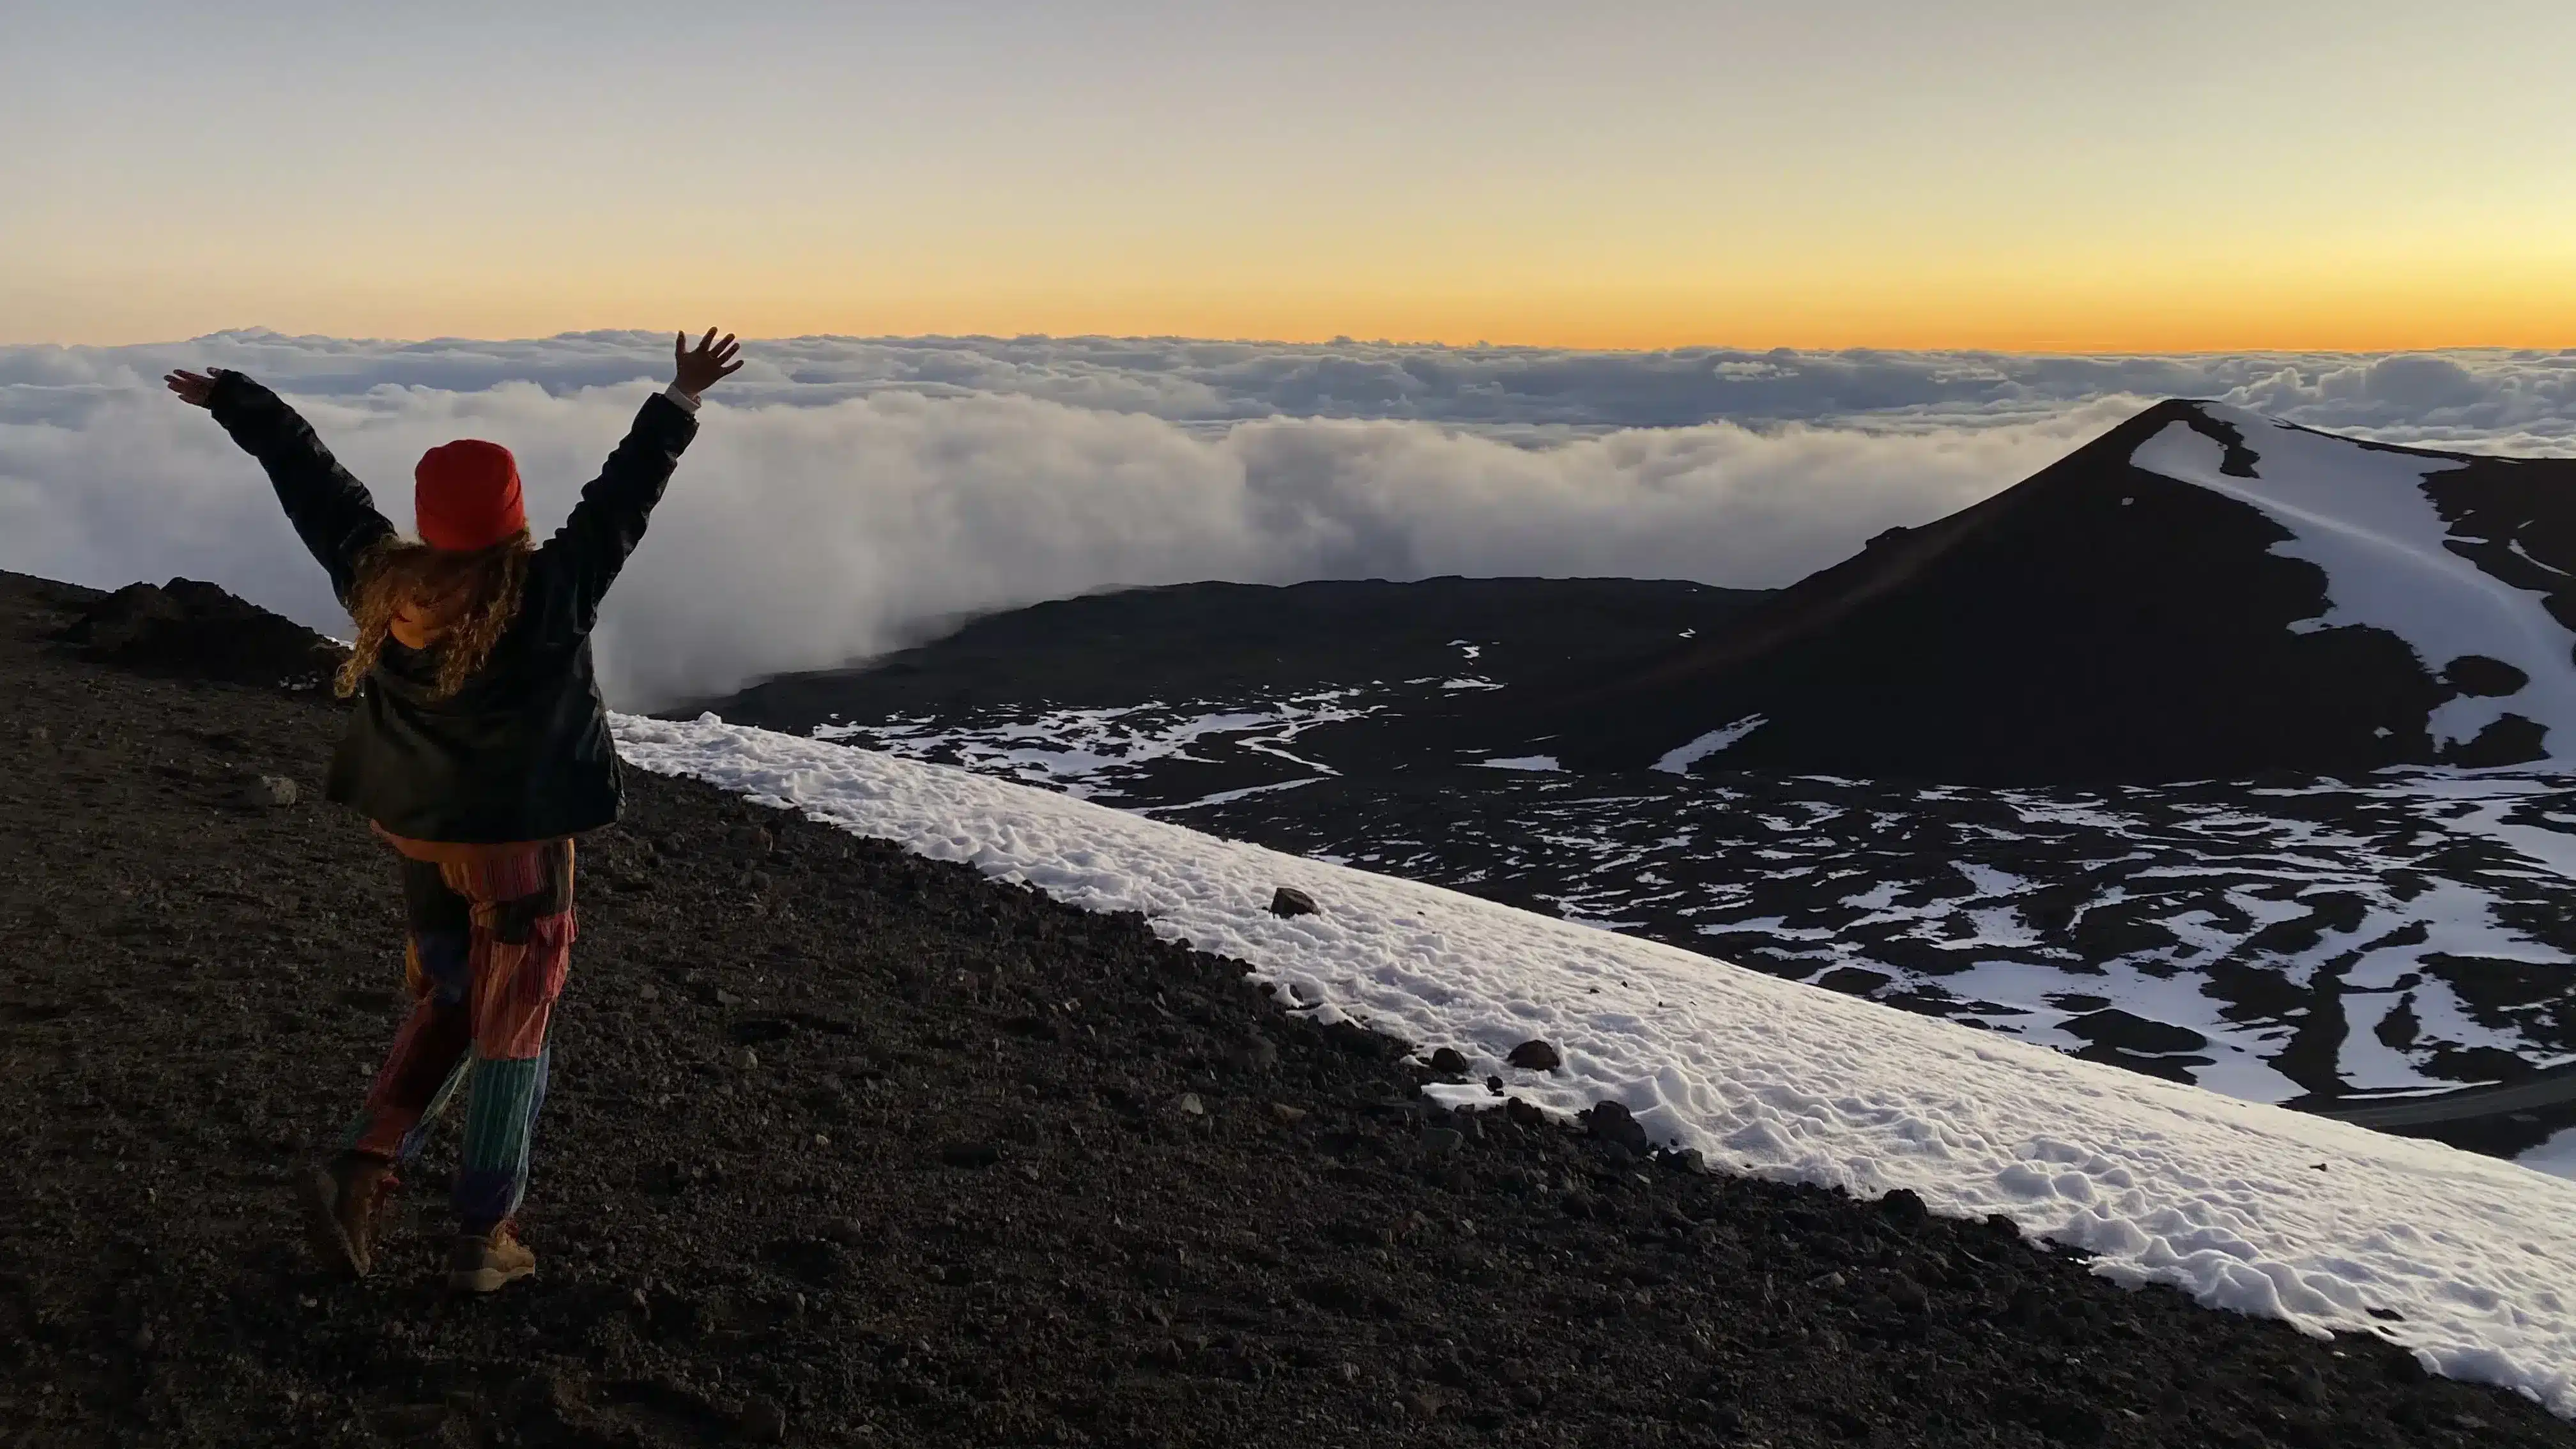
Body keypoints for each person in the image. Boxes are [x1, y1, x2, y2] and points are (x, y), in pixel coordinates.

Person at [165, 330, 743, 1292]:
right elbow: (621, 500)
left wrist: (239, 400)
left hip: (420, 841)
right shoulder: (549, 595)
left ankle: (363, 1167)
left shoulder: (378, 579)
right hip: (517, 852)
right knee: (513, 1028)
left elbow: (318, 488)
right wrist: (681, 396)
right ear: (515, 519)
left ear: (432, 522)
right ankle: (487, 1233)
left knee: (448, 998)